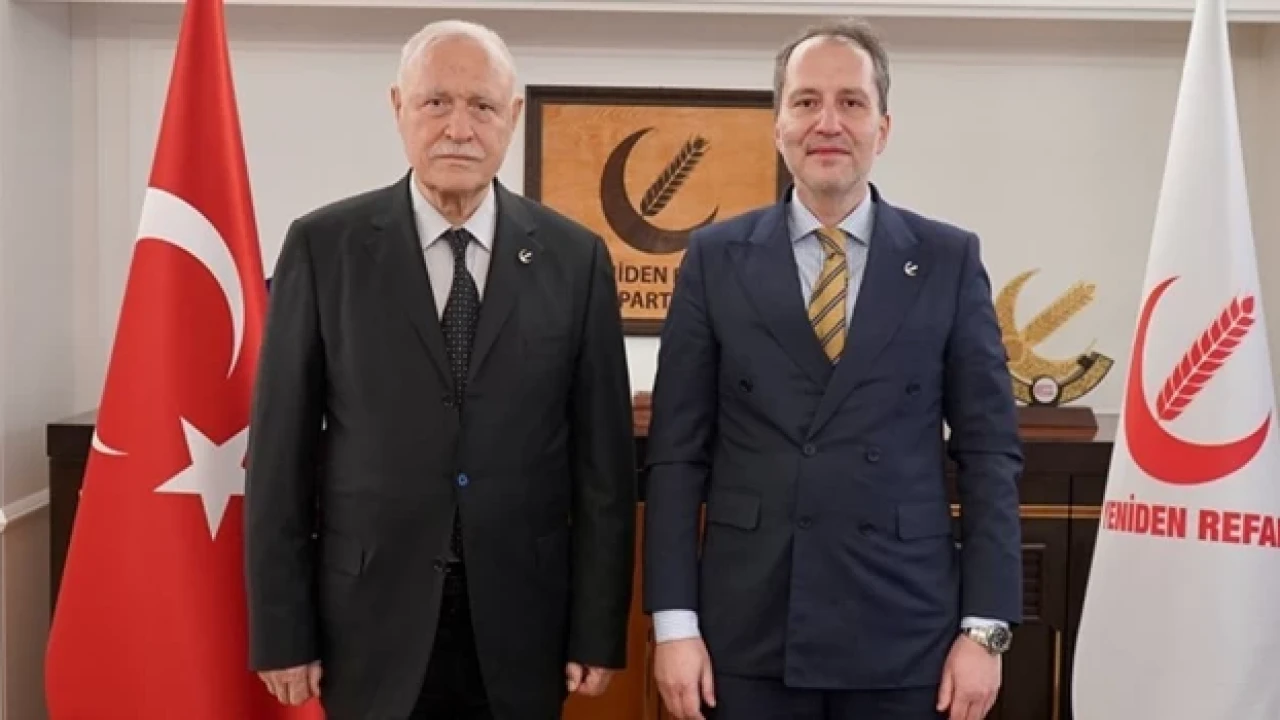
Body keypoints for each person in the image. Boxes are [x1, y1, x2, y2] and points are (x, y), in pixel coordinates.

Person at [243, 19, 637, 720]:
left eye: (481, 106)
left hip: (524, 625)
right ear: (399, 107)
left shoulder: (576, 261)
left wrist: (598, 629)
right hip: (366, 622)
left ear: (512, 116)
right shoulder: (322, 248)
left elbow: (603, 470)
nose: (459, 128)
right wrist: (282, 632)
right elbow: (280, 457)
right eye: (436, 103)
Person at [642, 17, 1024, 720]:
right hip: (746, 632)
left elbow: (989, 453)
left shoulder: (948, 259)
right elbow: (675, 457)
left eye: (851, 102)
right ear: (778, 124)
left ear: (883, 128)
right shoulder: (714, 258)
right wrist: (674, 625)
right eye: (806, 101)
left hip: (907, 629)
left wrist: (985, 629)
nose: (828, 122)